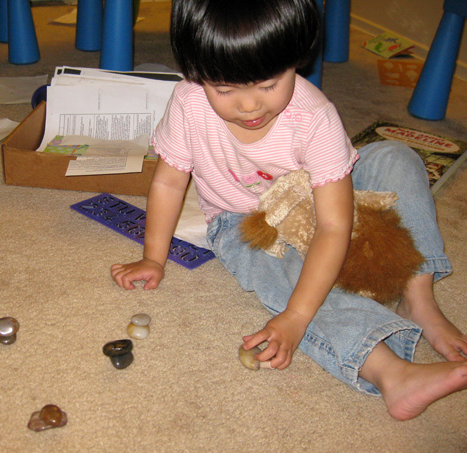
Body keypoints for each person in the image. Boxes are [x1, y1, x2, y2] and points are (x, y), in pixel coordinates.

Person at [111, 0, 467, 420]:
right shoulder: (188, 102)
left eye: (267, 84)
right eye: (224, 89)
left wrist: (297, 315)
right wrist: (155, 256)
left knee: (396, 158)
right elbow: (169, 181)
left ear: (296, 57)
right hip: (244, 220)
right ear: (195, 73)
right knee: (292, 278)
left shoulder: (315, 116)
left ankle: (418, 296)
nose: (249, 106)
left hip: (322, 197)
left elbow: (334, 226)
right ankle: (389, 371)